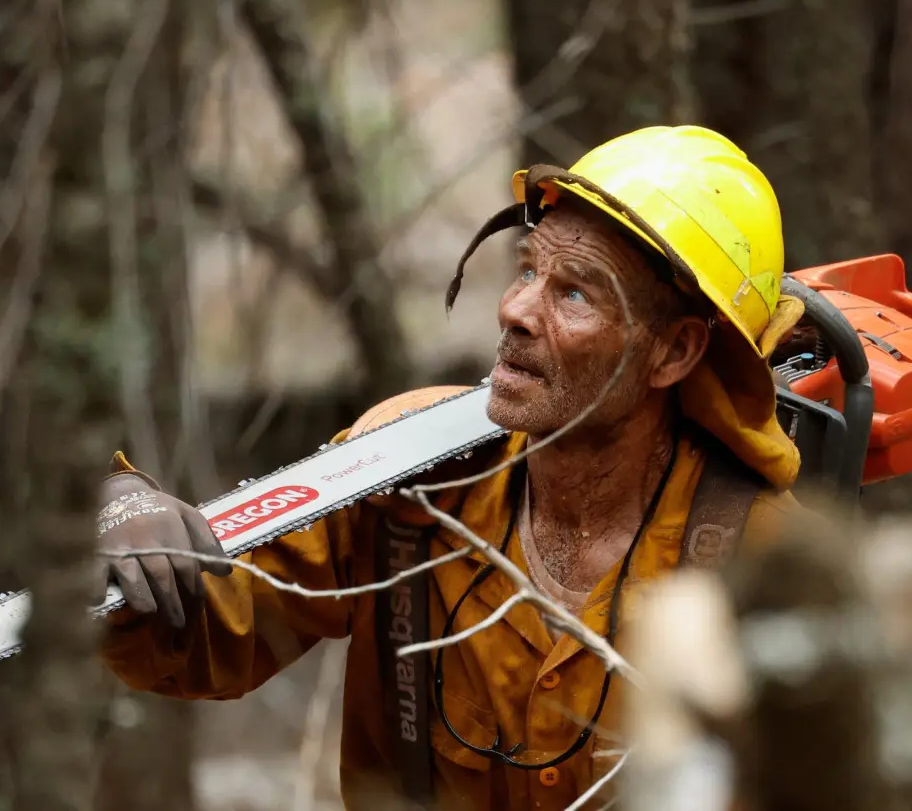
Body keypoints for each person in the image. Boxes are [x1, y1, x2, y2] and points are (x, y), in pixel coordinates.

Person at [94, 125, 807, 810]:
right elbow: (209, 637)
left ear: (674, 353)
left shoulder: (763, 559)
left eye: (575, 293)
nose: (515, 309)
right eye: (528, 268)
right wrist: (122, 517)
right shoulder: (408, 470)